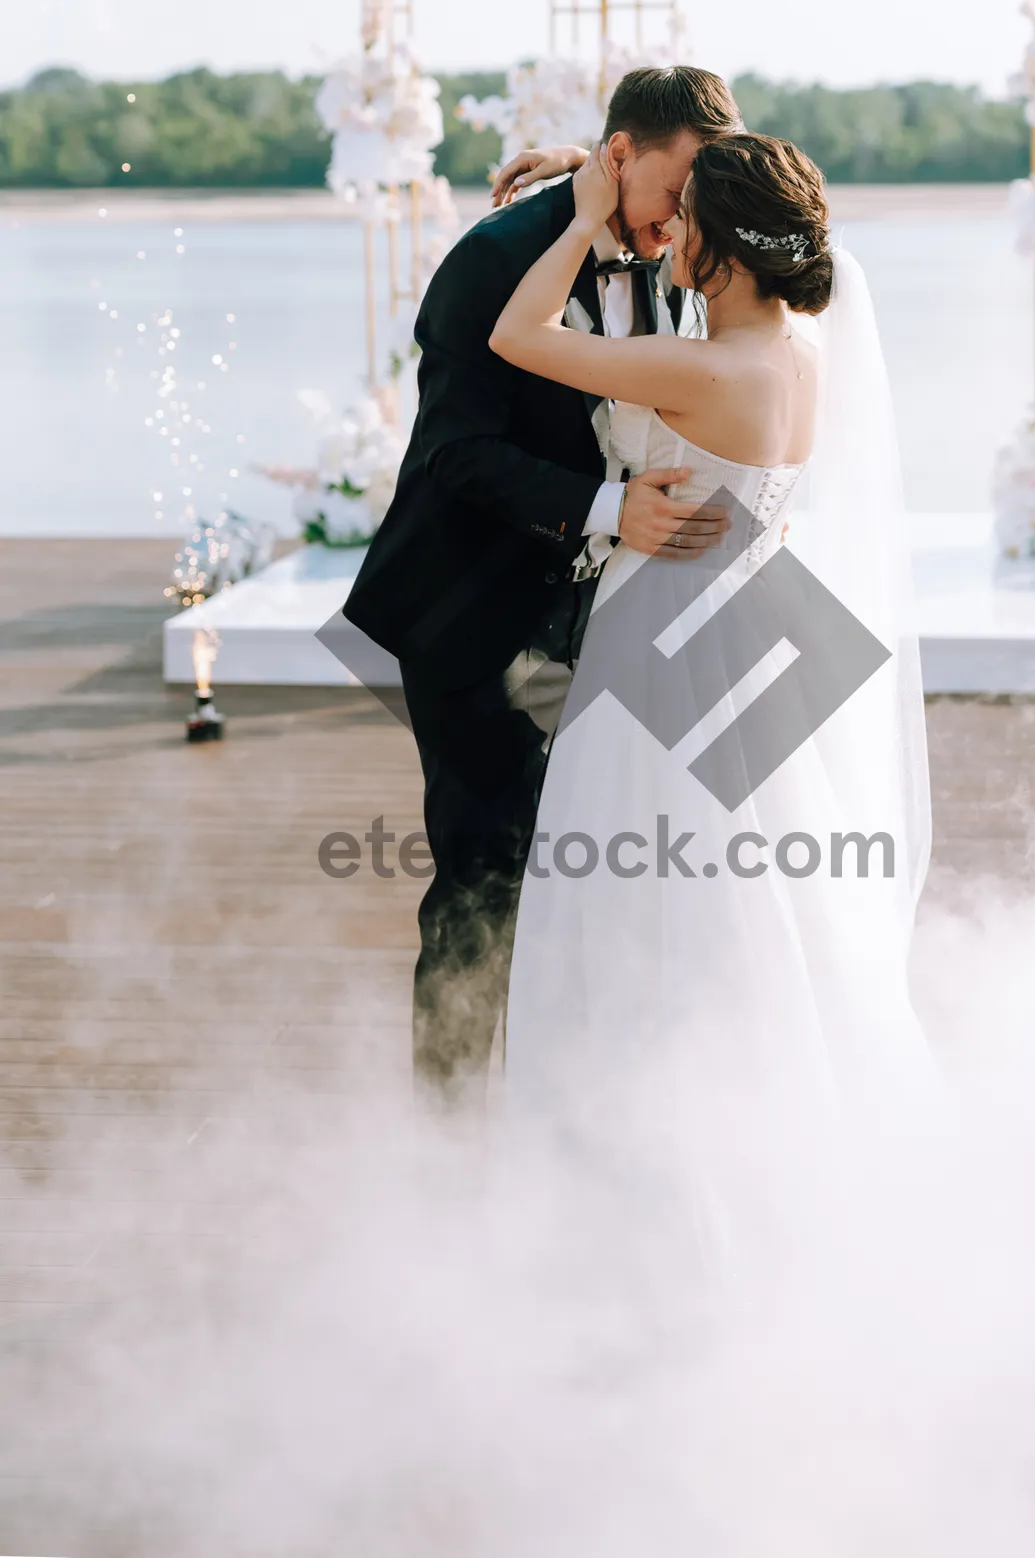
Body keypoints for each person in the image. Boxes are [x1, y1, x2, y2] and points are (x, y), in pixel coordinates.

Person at [490, 133, 941, 1256]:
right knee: (762, 902)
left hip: (664, 654)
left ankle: (660, 1212)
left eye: (683, 220)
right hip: (748, 636)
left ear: (727, 257)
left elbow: (516, 337)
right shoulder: (799, 351)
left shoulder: (704, 370)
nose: (669, 232)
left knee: (648, 910)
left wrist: (587, 212)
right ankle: (772, 1172)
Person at [341, 67, 743, 1110]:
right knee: (485, 886)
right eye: (674, 190)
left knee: (619, 872)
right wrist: (611, 508)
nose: (683, 221)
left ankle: (571, 1121)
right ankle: (451, 1138)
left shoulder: (677, 237)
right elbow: (452, 457)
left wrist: (608, 187)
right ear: (620, 157)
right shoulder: (491, 260)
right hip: (469, 615)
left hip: (598, 621)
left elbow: (786, 219)